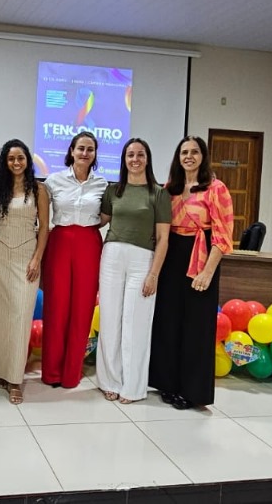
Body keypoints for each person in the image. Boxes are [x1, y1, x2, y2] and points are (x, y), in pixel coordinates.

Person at [150, 135, 234, 410]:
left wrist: (208, 273)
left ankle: (192, 391)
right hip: (172, 255)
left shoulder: (216, 188)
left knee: (196, 326)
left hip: (201, 256)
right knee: (169, 321)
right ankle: (168, 383)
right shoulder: (169, 188)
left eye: (194, 152)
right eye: (184, 152)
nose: (189, 156)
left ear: (203, 156)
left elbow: (222, 235)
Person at [96, 138, 170, 404]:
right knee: (110, 321)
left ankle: (133, 387)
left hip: (143, 261)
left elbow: (163, 238)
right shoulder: (113, 190)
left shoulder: (158, 193)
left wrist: (154, 274)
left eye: (140, 154)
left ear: (147, 159)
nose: (135, 159)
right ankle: (109, 381)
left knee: (135, 324)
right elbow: (98, 221)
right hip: (112, 257)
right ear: (124, 160)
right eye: (130, 155)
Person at [0, 139, 50, 404]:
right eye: (11, 158)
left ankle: (15, 380)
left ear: (27, 161)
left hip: (25, 257)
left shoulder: (39, 189)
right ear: (5, 161)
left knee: (20, 317)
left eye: (20, 158)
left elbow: (44, 226)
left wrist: (37, 259)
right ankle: (1, 370)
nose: (16, 163)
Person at [40, 131, 108, 389]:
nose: (85, 153)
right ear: (71, 151)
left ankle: (71, 373)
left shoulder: (102, 184)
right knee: (56, 307)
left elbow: (105, 216)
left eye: (90, 149)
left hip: (89, 244)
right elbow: (44, 216)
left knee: (82, 309)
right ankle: (52, 372)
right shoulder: (53, 181)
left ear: (95, 155)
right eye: (80, 148)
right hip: (59, 243)